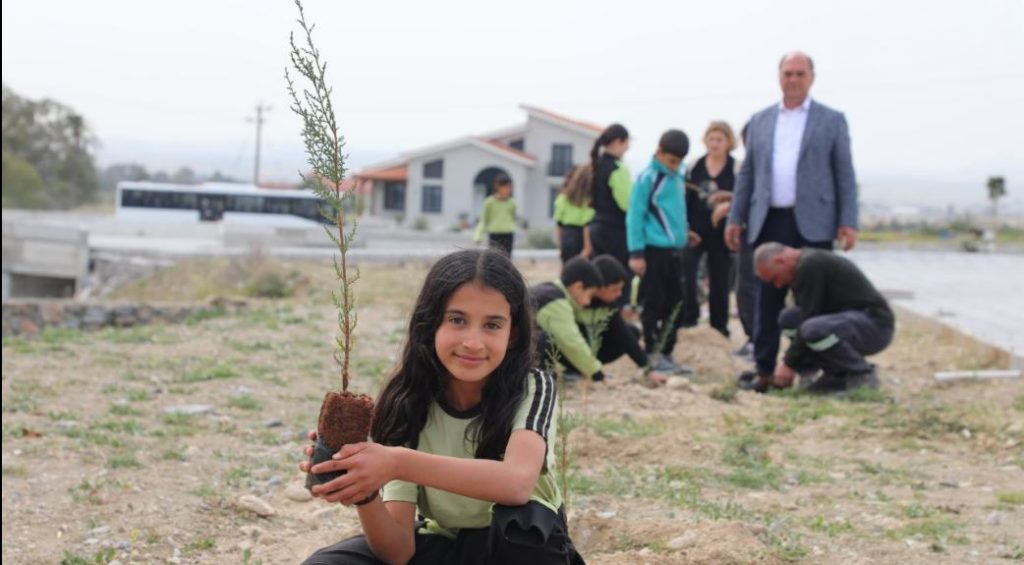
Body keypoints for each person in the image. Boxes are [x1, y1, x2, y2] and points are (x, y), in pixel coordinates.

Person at [300, 249, 585, 565]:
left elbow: (516, 483)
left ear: (512, 335)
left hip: (520, 547)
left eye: (492, 325)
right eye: (457, 320)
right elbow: (398, 552)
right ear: (430, 323)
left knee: (524, 532)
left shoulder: (532, 388)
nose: (473, 342)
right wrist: (364, 490)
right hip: (447, 543)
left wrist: (395, 462)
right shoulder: (407, 401)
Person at [725, 51, 859, 391]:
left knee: (815, 299)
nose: (794, 80)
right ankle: (764, 368)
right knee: (766, 297)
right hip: (770, 219)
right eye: (788, 73)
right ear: (779, 77)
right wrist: (735, 216)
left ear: (811, 78)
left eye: (800, 73)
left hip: (815, 221)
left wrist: (848, 220)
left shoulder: (831, 120)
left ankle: (809, 367)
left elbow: (844, 172)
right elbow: (748, 173)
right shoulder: (760, 120)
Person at [753, 243, 894, 393]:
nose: (778, 285)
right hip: (847, 322)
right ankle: (834, 374)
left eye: (775, 278)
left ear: (780, 261)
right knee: (789, 319)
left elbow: (809, 319)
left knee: (812, 329)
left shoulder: (810, 265)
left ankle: (861, 374)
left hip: (875, 326)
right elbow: (805, 318)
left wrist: (788, 364)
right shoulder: (801, 266)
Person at [626, 129, 700, 375]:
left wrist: (684, 232)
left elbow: (673, 211)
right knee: (653, 303)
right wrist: (636, 253)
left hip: (675, 251)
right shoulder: (647, 178)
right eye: (671, 161)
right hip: (653, 251)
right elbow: (635, 216)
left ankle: (667, 352)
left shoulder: (677, 176)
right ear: (659, 152)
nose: (674, 166)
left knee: (677, 303)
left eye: (679, 162)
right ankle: (652, 352)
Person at [681, 121, 738, 338]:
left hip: (722, 232)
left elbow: (743, 196)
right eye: (711, 139)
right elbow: (685, 197)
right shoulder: (694, 166)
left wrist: (728, 203)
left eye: (719, 140)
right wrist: (685, 227)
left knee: (720, 278)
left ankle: (719, 325)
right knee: (687, 271)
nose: (714, 144)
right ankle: (689, 317)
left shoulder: (736, 167)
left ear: (728, 142)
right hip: (695, 229)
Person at [578, 255, 667, 385]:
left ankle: (587, 369)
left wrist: (648, 369)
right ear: (599, 286)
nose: (619, 294)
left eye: (621, 289)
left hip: (590, 350)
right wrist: (599, 376)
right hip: (570, 350)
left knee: (632, 332)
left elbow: (624, 336)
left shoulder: (609, 305)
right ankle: (575, 370)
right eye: (615, 290)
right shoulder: (576, 301)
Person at [533, 256, 606, 382]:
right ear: (578, 287)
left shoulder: (549, 290)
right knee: (545, 339)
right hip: (513, 351)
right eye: (590, 295)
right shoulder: (555, 301)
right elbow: (571, 342)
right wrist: (596, 373)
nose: (589, 302)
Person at [587, 124, 632, 274]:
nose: (628, 148)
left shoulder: (596, 164)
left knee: (600, 276)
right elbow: (627, 204)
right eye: (627, 143)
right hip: (615, 231)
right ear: (618, 141)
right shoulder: (618, 168)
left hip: (596, 228)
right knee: (619, 277)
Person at [553, 164, 595, 263]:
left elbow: (558, 225)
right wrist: (587, 249)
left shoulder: (562, 198)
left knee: (567, 268)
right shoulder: (587, 201)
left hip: (566, 238)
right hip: (580, 238)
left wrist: (560, 246)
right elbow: (587, 225)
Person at [473, 174, 517, 256]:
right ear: (497, 187)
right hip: (495, 235)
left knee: (507, 258)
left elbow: (513, 218)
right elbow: (484, 220)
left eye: (509, 187)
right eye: (505, 187)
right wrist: (478, 235)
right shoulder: (489, 202)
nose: (508, 189)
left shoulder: (512, 203)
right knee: (494, 258)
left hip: (508, 234)